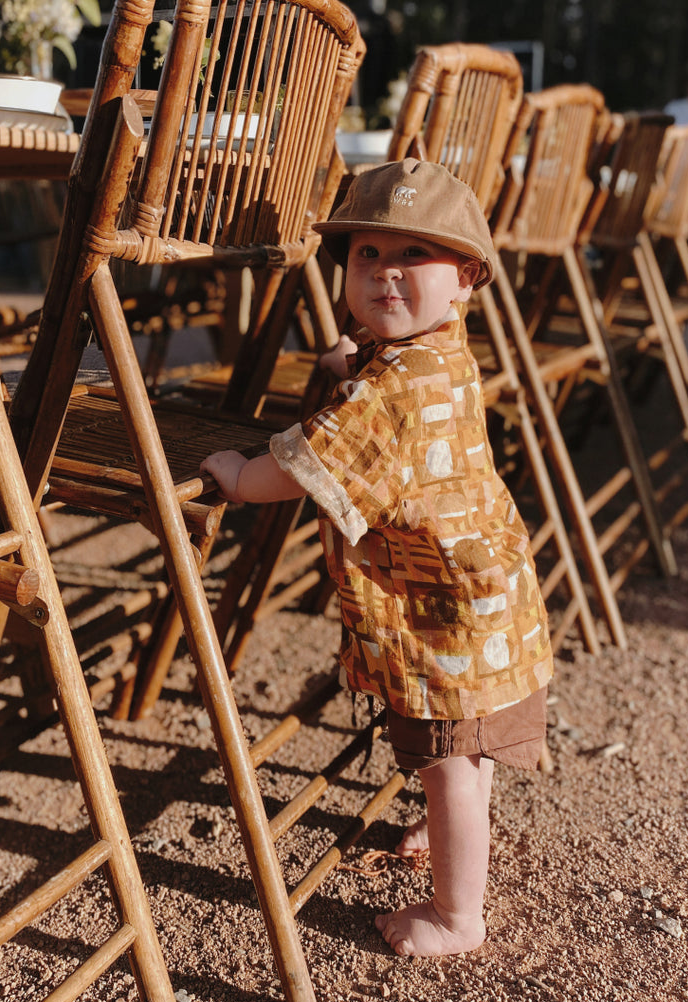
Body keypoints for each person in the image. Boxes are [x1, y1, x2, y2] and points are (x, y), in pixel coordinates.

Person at [201, 159, 553, 958]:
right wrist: (350, 362)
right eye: (367, 256)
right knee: (470, 754)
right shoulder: (438, 351)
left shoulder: (385, 395)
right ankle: (445, 831)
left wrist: (239, 477)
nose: (385, 273)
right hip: (485, 600)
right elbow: (387, 390)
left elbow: (304, 463)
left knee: (450, 763)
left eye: (411, 257)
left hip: (443, 622)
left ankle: (460, 918)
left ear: (465, 279)